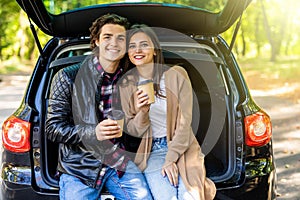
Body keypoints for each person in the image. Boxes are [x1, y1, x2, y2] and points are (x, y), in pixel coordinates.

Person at [46, 14, 152, 200]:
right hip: (79, 168)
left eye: (121, 38)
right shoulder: (67, 77)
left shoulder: (131, 79)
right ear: (96, 41)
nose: (114, 43)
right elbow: (53, 128)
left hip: (119, 162)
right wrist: (93, 132)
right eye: (107, 37)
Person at [119, 24, 217, 200]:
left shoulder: (176, 74)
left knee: (190, 197)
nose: (138, 50)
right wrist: (142, 112)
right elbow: (134, 130)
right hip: (153, 151)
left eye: (144, 44)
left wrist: (171, 159)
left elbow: (185, 122)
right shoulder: (126, 85)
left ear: (155, 50)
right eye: (132, 46)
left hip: (184, 147)